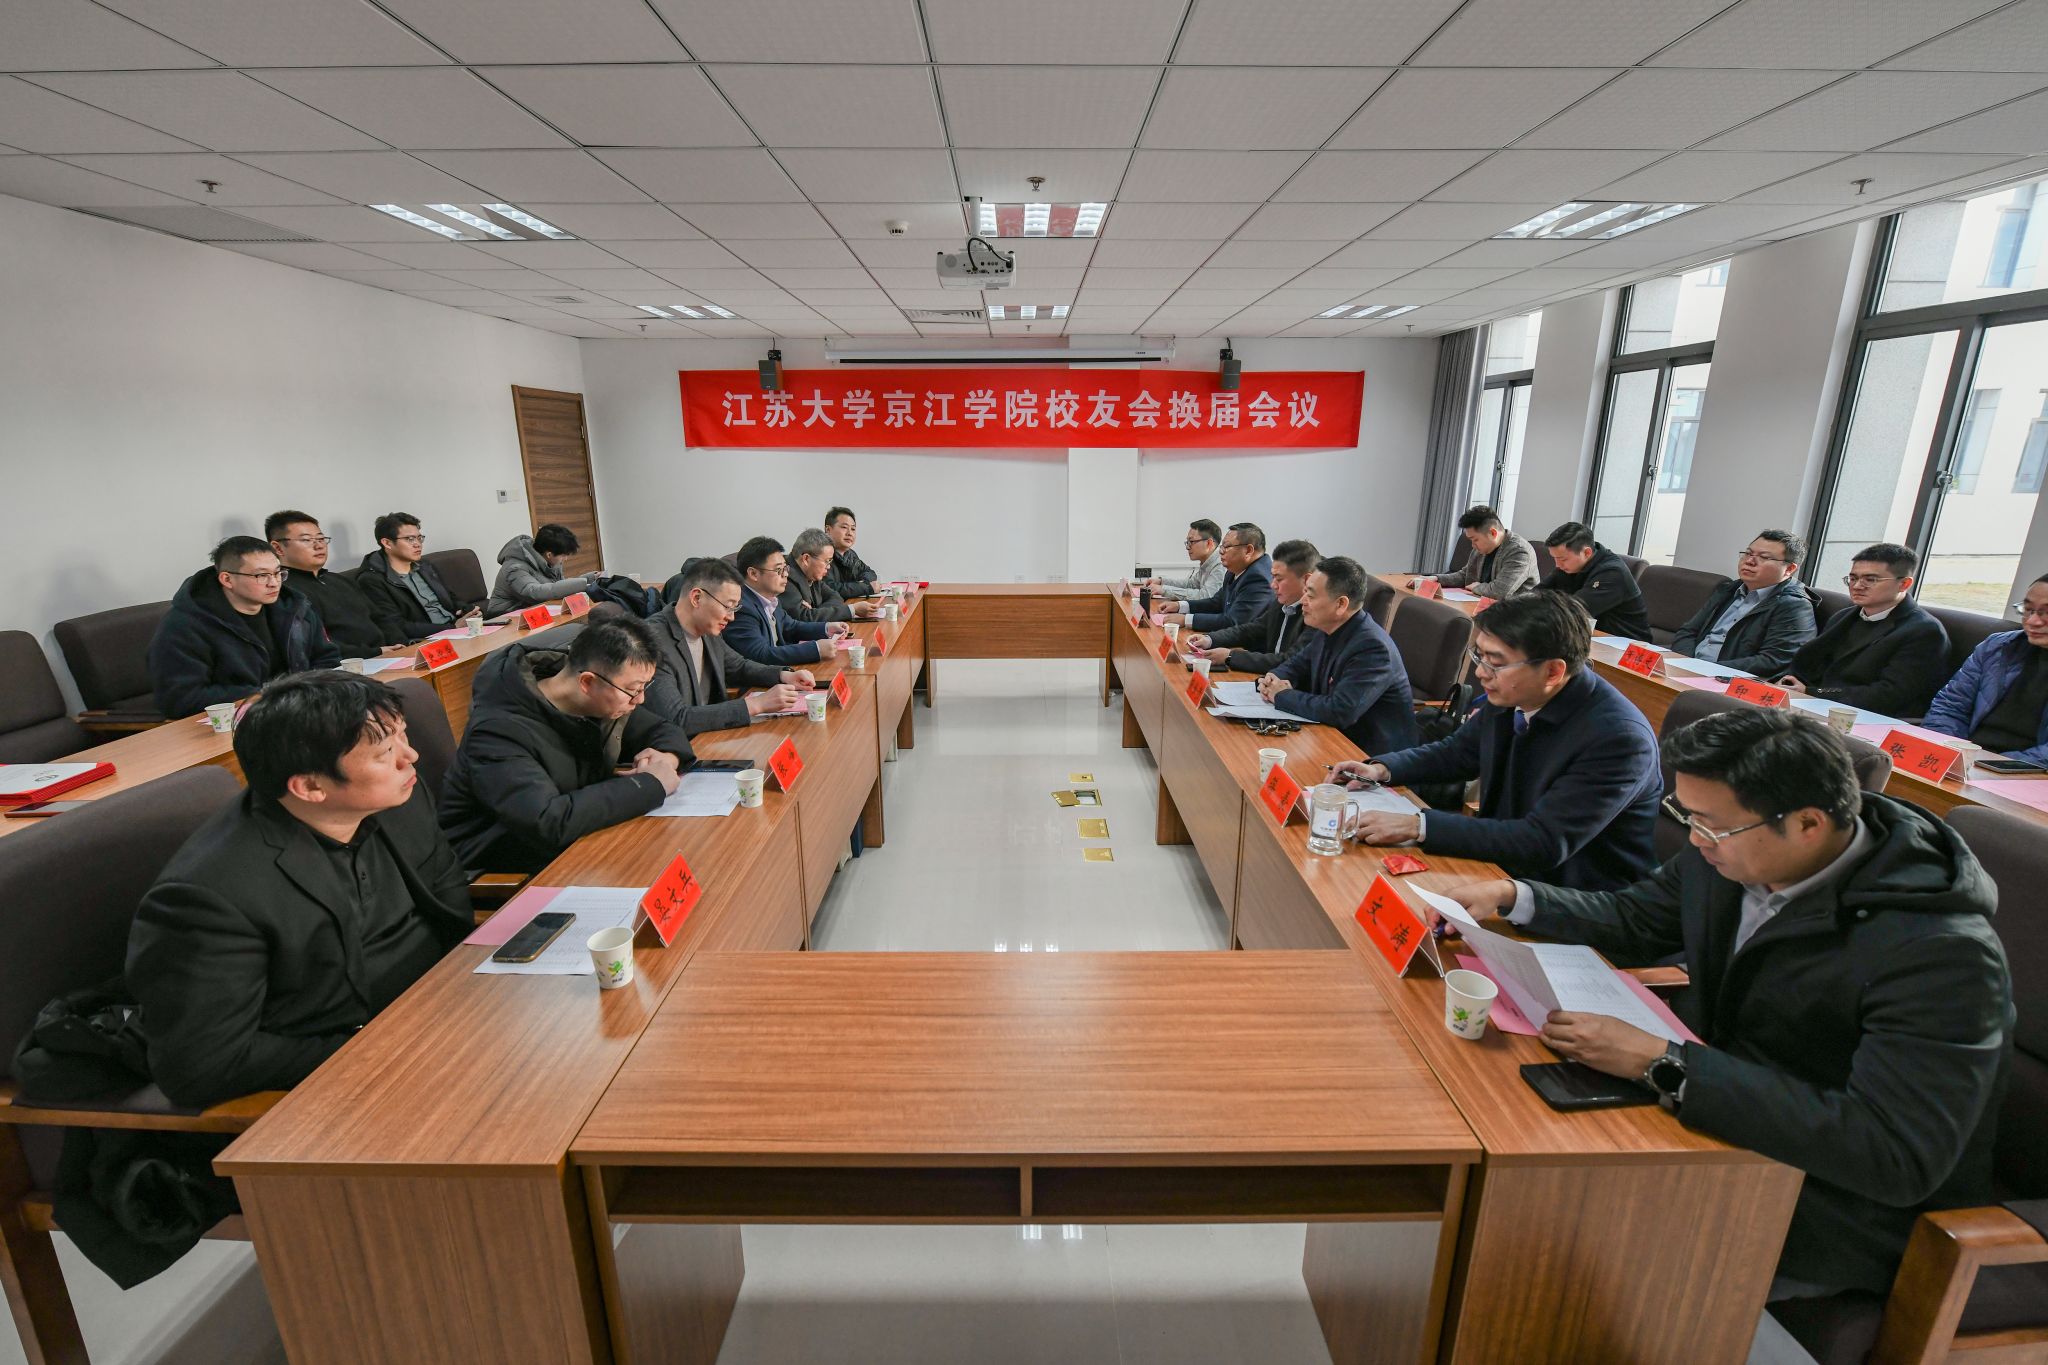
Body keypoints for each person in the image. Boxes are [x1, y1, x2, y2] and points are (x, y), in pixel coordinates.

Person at [1439, 708, 2010, 1307]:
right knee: (1511, 1152)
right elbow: (1636, 919)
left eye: (1709, 826)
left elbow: (1892, 1153)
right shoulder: (1740, 851)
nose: (1693, 840)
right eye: (1686, 816)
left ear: (1808, 824)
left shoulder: (1943, 955)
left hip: (1829, 1199)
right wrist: (1514, 895)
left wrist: (1664, 1063)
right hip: (1722, 1113)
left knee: (1551, 1234)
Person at [127, 672, 471, 1108]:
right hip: (355, 1070)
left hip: (447, 1007)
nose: (411, 757)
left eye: (402, 735)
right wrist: (380, 1049)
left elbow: (447, 889)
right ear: (310, 786)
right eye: (385, 752)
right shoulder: (210, 895)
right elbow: (204, 1066)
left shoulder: (397, 795)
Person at [1333, 592, 1660, 889]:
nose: (1480, 673)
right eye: (1479, 657)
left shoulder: (1620, 739)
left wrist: (1418, 826)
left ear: (1553, 672)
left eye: (1496, 663)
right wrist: (1381, 769)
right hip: (1500, 868)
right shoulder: (1515, 693)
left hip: (1570, 898)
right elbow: (1457, 753)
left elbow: (1543, 841)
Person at [438, 617, 694, 873]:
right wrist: (649, 784)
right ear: (587, 682)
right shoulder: (498, 731)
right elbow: (547, 821)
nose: (640, 699)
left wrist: (666, 759)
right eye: (634, 690)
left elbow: (663, 729)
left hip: (581, 844)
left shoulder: (603, 699)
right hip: (510, 866)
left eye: (644, 687)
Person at [150, 536, 340, 718]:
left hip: (301, 707)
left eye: (278, 573)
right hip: (237, 718)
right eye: (261, 575)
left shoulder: (294, 607)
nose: (274, 583)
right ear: (227, 579)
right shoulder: (185, 624)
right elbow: (180, 698)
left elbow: (327, 658)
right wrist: (269, 693)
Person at [1259, 556, 1417, 754]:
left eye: (1311, 596)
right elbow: (1295, 665)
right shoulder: (1327, 628)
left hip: (1369, 755)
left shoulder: (1372, 648)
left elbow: (1340, 711)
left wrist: (1282, 695)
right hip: (1329, 738)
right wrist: (1273, 679)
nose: (1303, 602)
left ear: (1341, 604)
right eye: (1305, 592)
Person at [1776, 543, 1950, 718]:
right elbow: (1812, 663)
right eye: (1853, 578)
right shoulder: (1844, 616)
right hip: (1816, 704)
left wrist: (1813, 692)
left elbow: (1890, 694)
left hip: (1868, 717)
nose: (1857, 586)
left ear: (1904, 584)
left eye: (1871, 579)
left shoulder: (1924, 631)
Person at [646, 557, 815, 737]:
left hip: (711, 736)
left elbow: (738, 666)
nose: (731, 617)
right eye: (728, 607)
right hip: (679, 746)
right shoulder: (650, 641)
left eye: (735, 608)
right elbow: (677, 718)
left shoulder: (706, 628)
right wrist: (757, 704)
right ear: (697, 598)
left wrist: (784, 675)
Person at [1923, 571, 2048, 765]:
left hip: (2026, 770)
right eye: (2028, 609)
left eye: (2046, 612)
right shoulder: (1998, 647)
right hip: (1966, 757)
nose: (2032, 621)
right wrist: (1949, 750)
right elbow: (1950, 705)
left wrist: (1994, 765)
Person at [1670, 529, 1819, 676]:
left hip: (1725, 680)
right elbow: (1688, 631)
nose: (1749, 561)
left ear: (1789, 569)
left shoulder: (1794, 606)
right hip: (1690, 669)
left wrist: (1706, 670)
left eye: (1764, 557)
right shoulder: (1728, 589)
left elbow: (1773, 661)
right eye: (1748, 553)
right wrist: (1686, 664)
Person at [266, 509, 400, 657]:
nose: (319, 545)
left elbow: (380, 618)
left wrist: (401, 646)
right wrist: (376, 652)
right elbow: (317, 644)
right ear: (278, 548)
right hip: (351, 664)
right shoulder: (285, 591)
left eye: (321, 538)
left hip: (389, 656)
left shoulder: (339, 580)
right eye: (306, 540)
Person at [1188, 539, 1318, 674]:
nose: (1273, 585)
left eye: (1279, 579)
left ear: (1307, 580)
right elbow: (1251, 629)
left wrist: (1230, 656)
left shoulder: (1315, 617)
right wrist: (1209, 639)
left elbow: (1289, 661)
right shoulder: (1281, 603)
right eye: (1273, 577)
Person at [356, 512, 482, 643]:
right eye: (410, 539)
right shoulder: (372, 580)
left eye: (419, 538)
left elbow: (450, 598)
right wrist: (453, 628)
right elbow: (397, 626)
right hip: (427, 640)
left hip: (457, 630)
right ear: (387, 543)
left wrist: (467, 610)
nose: (418, 544)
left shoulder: (424, 566)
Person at [725, 535, 848, 667]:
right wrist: (816, 649)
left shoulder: (770, 598)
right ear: (753, 574)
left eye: (785, 568)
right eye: (779, 570)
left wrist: (827, 628)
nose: (785, 574)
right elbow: (760, 655)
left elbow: (791, 627)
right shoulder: (740, 607)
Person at [1155, 522, 1275, 633]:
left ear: (1248, 550)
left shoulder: (1259, 578)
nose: (1221, 552)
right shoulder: (1234, 569)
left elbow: (1233, 621)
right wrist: (1181, 606)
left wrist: (1186, 619)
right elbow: (1216, 602)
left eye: (1226, 547)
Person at [1538, 522, 1650, 640]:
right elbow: (1537, 594)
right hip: (1589, 637)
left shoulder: (1613, 572)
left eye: (1562, 559)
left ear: (1587, 552)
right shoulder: (1568, 567)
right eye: (1554, 558)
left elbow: (1573, 610)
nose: (1558, 564)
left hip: (1626, 644)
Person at [485, 524, 599, 618]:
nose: (565, 559)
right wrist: (584, 584)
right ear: (549, 554)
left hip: (532, 612)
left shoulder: (551, 561)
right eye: (564, 555)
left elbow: (558, 586)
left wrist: (590, 578)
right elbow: (536, 592)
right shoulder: (515, 567)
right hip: (504, 618)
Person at [1425, 505, 1538, 599]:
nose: (1473, 545)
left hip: (1515, 613)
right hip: (1482, 605)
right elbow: (1465, 576)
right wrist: (1437, 579)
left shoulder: (1519, 552)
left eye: (1475, 539)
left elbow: (1499, 592)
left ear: (1493, 533)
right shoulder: (1481, 548)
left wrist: (1476, 587)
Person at [781, 527, 879, 623]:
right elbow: (804, 618)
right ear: (806, 559)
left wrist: (816, 612)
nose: (828, 567)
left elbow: (836, 597)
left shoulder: (811, 574)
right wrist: (852, 610)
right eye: (827, 561)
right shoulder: (784, 577)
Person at [1148, 519, 1226, 602]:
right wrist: (1161, 581)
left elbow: (1206, 596)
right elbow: (1191, 584)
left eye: (1191, 541)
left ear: (1209, 543)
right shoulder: (1207, 562)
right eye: (1187, 542)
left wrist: (1164, 590)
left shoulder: (1220, 565)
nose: (1187, 547)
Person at [821, 506, 880, 600]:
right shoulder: (821, 554)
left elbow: (869, 572)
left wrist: (863, 584)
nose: (850, 533)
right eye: (844, 527)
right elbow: (829, 589)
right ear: (828, 530)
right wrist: (865, 587)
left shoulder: (850, 554)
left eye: (853, 529)